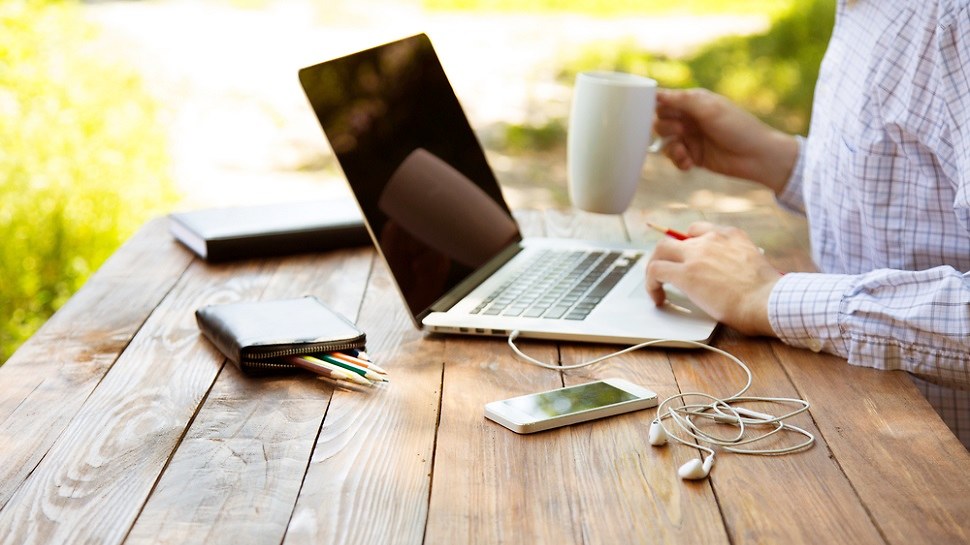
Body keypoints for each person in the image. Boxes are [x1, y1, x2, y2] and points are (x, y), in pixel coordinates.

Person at [646, 0, 970, 449]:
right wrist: (772, 157)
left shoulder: (954, 18)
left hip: (941, 470)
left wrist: (767, 297)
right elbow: (914, 199)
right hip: (854, 417)